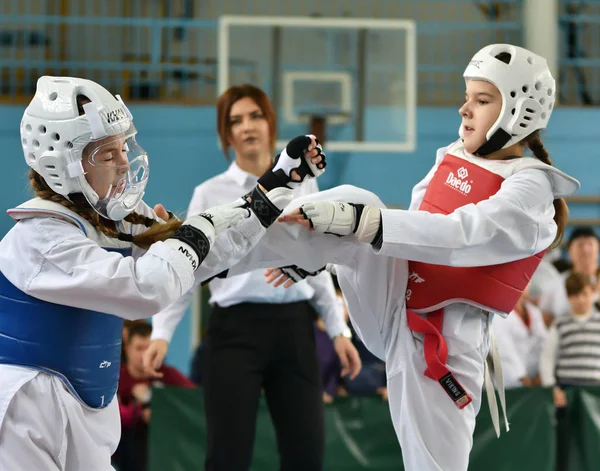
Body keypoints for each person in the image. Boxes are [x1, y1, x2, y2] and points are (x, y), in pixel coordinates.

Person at [216, 44, 581, 471]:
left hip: (446, 342)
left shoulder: (531, 188)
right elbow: (411, 225)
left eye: (482, 101)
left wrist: (362, 226)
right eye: (467, 97)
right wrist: (322, 251)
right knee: (357, 200)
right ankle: (210, 248)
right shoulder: (453, 155)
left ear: (519, 113)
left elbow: (462, 234)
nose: (464, 110)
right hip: (395, 304)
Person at [0, 76, 326, 470]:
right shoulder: (41, 238)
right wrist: (191, 235)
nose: (123, 163)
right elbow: (148, 287)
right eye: (107, 154)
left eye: (124, 148)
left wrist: (272, 189)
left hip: (80, 406)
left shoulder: (105, 223)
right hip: (27, 415)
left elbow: (200, 259)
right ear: (61, 166)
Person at [143, 84, 360, 471]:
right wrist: (161, 333)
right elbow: (185, 267)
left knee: (307, 454)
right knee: (228, 456)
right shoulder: (208, 193)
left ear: (270, 122)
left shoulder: (304, 183)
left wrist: (338, 330)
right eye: (235, 121)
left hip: (295, 328)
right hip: (234, 330)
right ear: (226, 135)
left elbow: (318, 258)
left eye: (255, 116)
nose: (247, 127)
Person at [115, 322, 195, 471]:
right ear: (127, 349)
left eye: (148, 347)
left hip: (167, 452)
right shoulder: (116, 379)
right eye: (139, 348)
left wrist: (157, 408)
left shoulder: (169, 376)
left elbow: (193, 403)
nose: (144, 354)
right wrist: (138, 413)